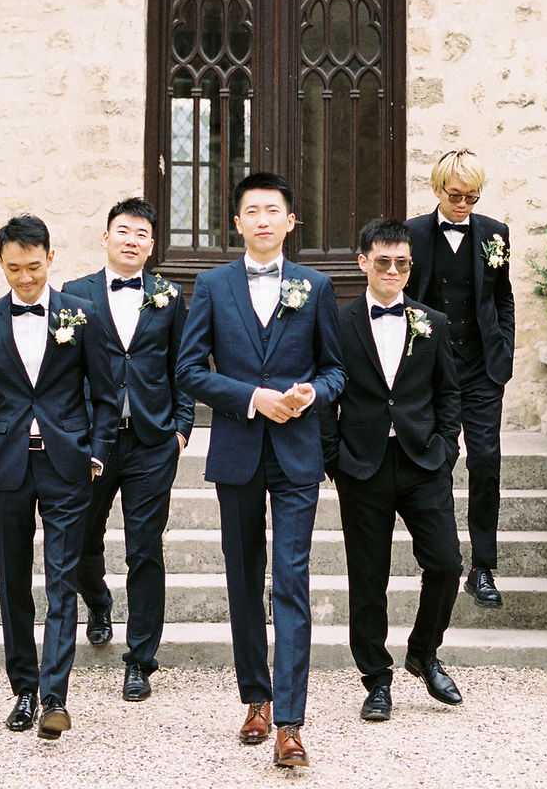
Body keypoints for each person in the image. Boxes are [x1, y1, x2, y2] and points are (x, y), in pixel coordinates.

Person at [175, 172, 345, 770]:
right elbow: (190, 370)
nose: (265, 219)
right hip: (239, 450)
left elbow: (335, 370)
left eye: (275, 209)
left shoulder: (317, 286)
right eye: (253, 211)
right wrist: (252, 397)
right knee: (245, 579)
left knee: (290, 581)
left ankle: (292, 724)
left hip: (297, 453)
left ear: (291, 221)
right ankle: (256, 699)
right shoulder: (213, 285)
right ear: (238, 222)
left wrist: (310, 394)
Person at [0, 214, 119, 740]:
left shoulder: (82, 315)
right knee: (13, 582)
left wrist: (95, 453)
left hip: (69, 467)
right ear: (1, 264)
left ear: (51, 257)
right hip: (8, 469)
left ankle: (54, 697)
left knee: (62, 579)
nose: (25, 278)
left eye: (34, 266)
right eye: (13, 268)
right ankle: (22, 689)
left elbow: (107, 395)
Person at [321, 218, 463, 721]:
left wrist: (447, 450)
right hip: (362, 466)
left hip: (423, 461)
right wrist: (332, 456)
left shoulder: (432, 322)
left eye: (402, 263)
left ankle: (424, 653)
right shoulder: (337, 323)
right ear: (363, 262)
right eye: (383, 261)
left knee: (446, 564)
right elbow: (325, 395)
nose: (393, 271)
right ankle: (376, 679)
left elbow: (449, 392)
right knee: (368, 579)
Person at [62, 196, 193, 702]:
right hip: (92, 441)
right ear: (106, 236)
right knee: (81, 541)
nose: (131, 240)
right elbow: (63, 372)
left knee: (145, 550)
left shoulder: (168, 296)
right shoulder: (74, 295)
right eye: (123, 231)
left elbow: (183, 362)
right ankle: (96, 600)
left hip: (152, 441)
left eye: (142, 233)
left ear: (152, 244)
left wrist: (182, 426)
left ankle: (141, 659)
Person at [407, 148, 515, 610]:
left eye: (472, 197)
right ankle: (444, 559)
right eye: (456, 196)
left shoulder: (495, 234)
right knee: (439, 461)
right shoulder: (412, 234)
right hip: (434, 372)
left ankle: (483, 566)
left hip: (482, 369)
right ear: (438, 189)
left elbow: (503, 296)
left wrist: (504, 352)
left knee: (486, 460)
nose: (464, 205)